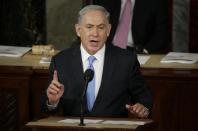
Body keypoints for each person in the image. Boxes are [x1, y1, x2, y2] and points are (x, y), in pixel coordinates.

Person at [41, 5, 152, 118]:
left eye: (101, 27)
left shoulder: (126, 60)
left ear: (108, 30)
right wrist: (53, 102)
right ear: (78, 30)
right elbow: (47, 109)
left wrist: (142, 106)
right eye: (89, 27)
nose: (95, 33)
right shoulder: (61, 61)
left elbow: (143, 96)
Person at [92, 0, 170, 54]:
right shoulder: (104, 2)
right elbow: (90, 26)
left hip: (137, 53)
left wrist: (144, 51)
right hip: (106, 50)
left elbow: (162, 35)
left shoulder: (156, 2)